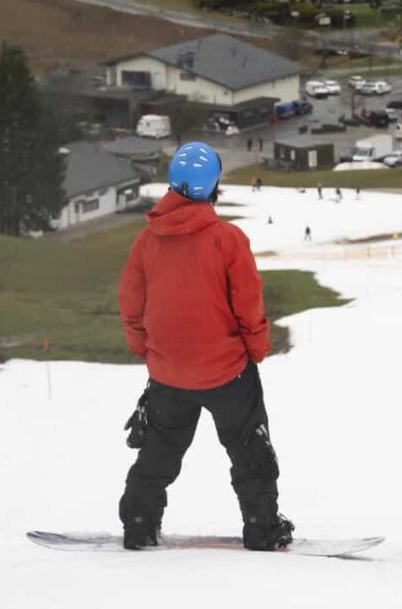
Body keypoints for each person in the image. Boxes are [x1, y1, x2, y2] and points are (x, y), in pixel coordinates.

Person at [117, 141, 295, 552]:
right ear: (213, 185)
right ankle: (262, 528)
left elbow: (132, 302)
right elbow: (248, 304)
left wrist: (144, 349)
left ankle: (140, 523)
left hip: (167, 373)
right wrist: (256, 349)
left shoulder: (147, 241)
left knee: (159, 452)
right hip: (227, 371)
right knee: (249, 448)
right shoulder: (227, 239)